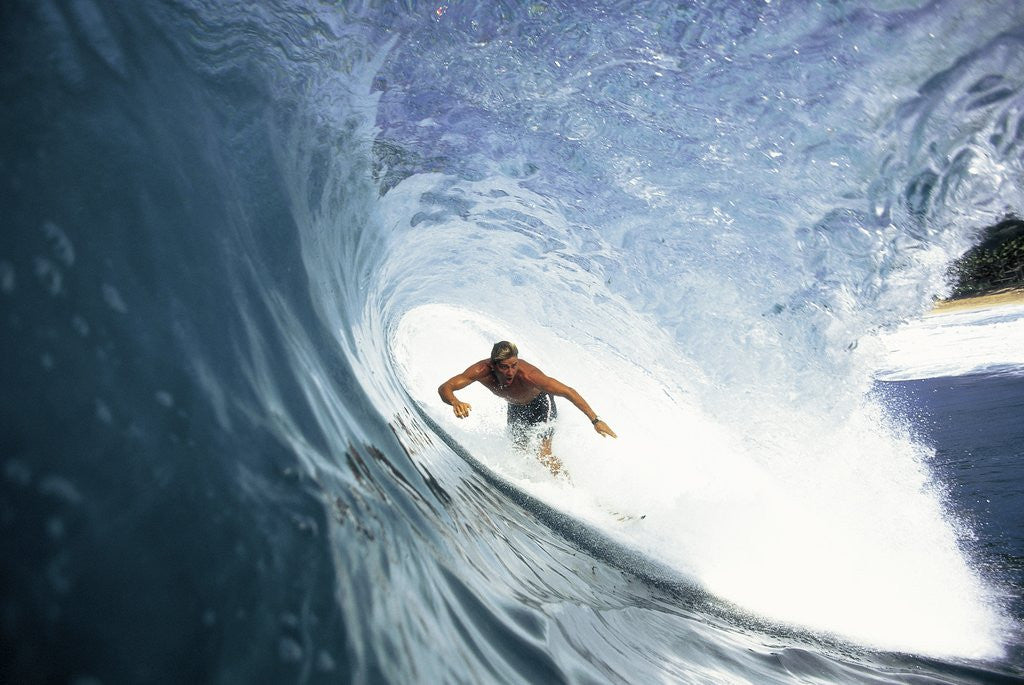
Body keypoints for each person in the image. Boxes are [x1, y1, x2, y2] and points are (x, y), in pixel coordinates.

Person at [438, 341, 616, 475]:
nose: (510, 372)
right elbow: (445, 387)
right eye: (504, 367)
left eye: (514, 365)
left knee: (543, 454)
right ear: (493, 365)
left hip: (541, 405)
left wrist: (595, 420)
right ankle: (527, 481)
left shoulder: (530, 376)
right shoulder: (481, 370)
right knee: (517, 449)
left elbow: (568, 392)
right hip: (515, 408)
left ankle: (569, 488)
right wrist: (455, 402)